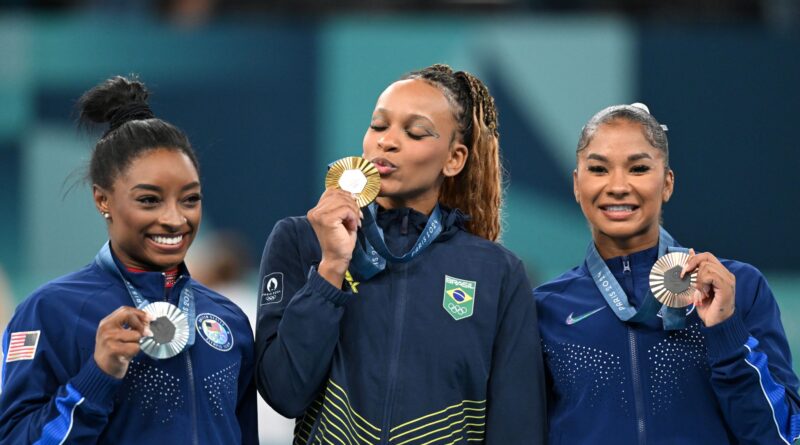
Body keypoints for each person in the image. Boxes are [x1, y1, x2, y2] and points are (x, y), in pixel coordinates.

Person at [256, 64, 546, 444]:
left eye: (415, 132)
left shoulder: (497, 272)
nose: (387, 142)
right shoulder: (301, 240)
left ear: (454, 159)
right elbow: (284, 392)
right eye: (379, 126)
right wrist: (330, 270)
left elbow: (518, 427)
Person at [0, 76, 258, 444]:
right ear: (102, 200)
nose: (174, 218)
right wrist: (97, 374)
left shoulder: (229, 319)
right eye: (149, 200)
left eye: (190, 199)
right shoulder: (50, 311)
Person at [535, 103, 800, 444]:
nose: (617, 186)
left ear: (667, 183)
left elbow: (784, 436)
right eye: (599, 169)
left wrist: (727, 333)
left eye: (639, 168)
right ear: (576, 184)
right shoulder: (545, 309)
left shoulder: (738, 289)